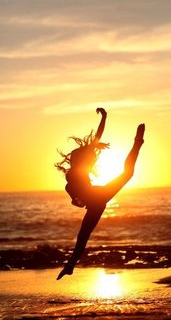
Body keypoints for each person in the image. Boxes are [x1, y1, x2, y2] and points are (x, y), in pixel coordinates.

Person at [55, 108, 145, 280]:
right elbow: (75, 198)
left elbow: (97, 136)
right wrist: (77, 200)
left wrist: (104, 117)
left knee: (127, 173)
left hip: (99, 196)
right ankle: (70, 266)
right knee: (82, 237)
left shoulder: (80, 167)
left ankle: (137, 143)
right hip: (96, 204)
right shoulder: (71, 178)